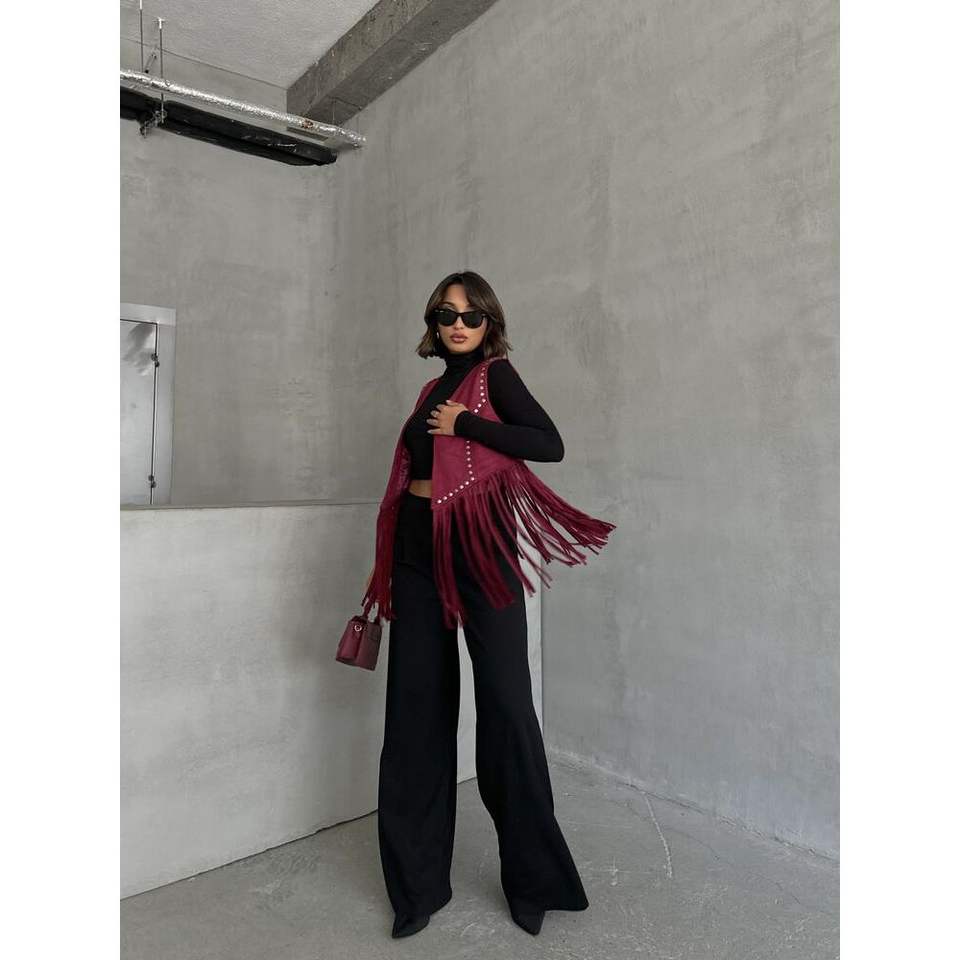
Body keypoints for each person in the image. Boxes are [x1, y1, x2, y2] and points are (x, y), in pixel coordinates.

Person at [362, 270, 615, 939]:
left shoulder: (493, 376)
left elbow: (548, 443)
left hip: (479, 544)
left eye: (470, 315)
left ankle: (533, 881)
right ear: (432, 323)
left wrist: (467, 423)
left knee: (505, 705)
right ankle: (417, 887)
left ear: (488, 323)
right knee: (415, 711)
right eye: (445, 314)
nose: (457, 325)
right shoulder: (428, 390)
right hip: (416, 548)